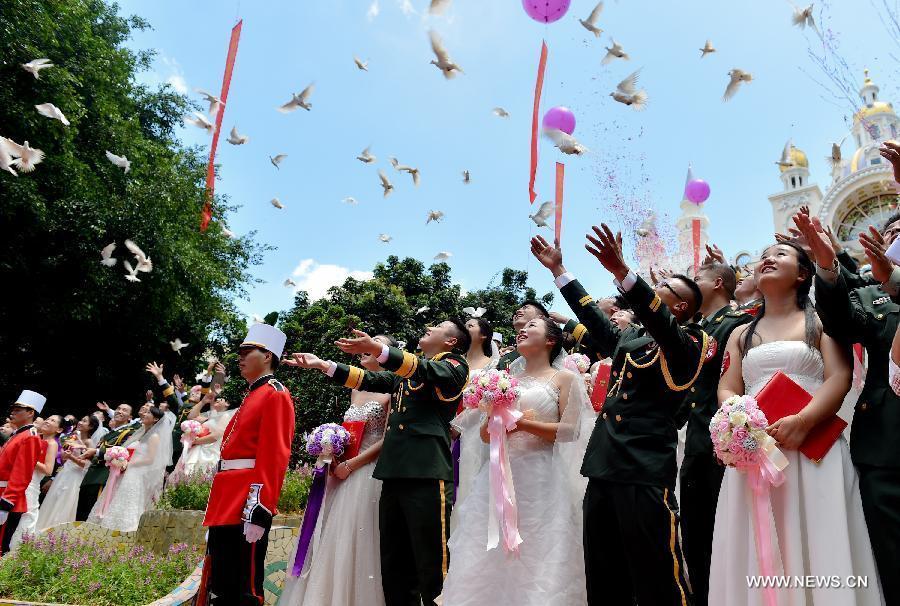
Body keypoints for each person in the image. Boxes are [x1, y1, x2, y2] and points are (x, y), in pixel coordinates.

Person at [531, 228, 707, 606]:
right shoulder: (632, 340)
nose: (654, 285)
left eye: (664, 287)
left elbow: (660, 324)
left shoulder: (689, 342)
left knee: (658, 573)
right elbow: (595, 320)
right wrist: (560, 271)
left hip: (642, 468)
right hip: (605, 464)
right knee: (604, 572)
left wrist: (623, 270)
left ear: (679, 307)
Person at [710, 240, 883, 604]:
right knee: (760, 541)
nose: (768, 258)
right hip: (759, 453)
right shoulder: (740, 334)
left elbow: (839, 377)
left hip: (813, 448)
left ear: (803, 273)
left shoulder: (819, 321)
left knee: (820, 535)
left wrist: (803, 421)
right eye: (764, 256)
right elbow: (727, 386)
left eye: (781, 254)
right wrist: (739, 420)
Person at [288, 320, 470, 606]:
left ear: (452, 342)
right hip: (393, 473)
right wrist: (323, 365)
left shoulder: (455, 366)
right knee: (394, 566)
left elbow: (423, 370)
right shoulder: (407, 371)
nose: (429, 327)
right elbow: (369, 379)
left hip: (425, 472)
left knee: (432, 563)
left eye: (438, 327)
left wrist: (377, 348)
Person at [440, 317, 594, 605]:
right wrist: (495, 421)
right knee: (489, 545)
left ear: (550, 340)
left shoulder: (564, 379)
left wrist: (521, 424)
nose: (522, 330)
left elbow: (570, 431)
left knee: (538, 545)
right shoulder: (505, 380)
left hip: (540, 476)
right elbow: (486, 436)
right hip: (497, 473)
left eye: (532, 326)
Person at [796, 196, 900, 604]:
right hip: (886, 448)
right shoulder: (873, 297)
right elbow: (840, 322)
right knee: (891, 559)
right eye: (891, 234)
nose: (894, 240)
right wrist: (827, 266)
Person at [278, 334, 395, 606]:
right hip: (339, 472)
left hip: (366, 473)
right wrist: (330, 452)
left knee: (358, 537)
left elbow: (387, 439)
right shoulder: (355, 389)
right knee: (328, 537)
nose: (364, 350)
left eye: (373, 343)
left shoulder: (392, 389)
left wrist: (352, 465)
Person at [200, 323, 295, 606]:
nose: (239, 357)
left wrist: (260, 509)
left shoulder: (275, 393)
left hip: (246, 502)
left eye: (246, 351)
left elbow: (274, 456)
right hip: (226, 498)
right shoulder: (253, 393)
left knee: (244, 588)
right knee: (221, 582)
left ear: (267, 356)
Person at [677, 262, 752, 606]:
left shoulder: (736, 324)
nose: (692, 285)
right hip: (693, 438)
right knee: (695, 533)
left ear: (718, 283)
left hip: (723, 440)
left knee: (725, 531)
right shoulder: (696, 326)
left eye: (697, 279)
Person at [86, 406, 174, 532]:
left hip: (135, 473)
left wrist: (128, 463)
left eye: (148, 413)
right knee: (113, 496)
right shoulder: (140, 432)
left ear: (155, 419)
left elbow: (150, 459)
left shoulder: (154, 436)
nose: (144, 414)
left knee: (126, 500)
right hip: (124, 471)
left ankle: (123, 529)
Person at [0, 390, 45, 555]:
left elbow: (22, 473)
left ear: (30, 413)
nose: (13, 412)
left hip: (7, 497)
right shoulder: (18, 434)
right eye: (13, 409)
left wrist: (6, 503)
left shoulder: (30, 437)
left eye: (18, 409)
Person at [75, 403, 136, 521]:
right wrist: (84, 452)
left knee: (93, 515)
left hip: (104, 476)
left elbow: (121, 452)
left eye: (124, 410)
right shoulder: (108, 434)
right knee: (81, 514)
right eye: (118, 408)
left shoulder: (129, 432)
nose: (119, 411)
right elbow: (95, 456)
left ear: (130, 417)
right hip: (90, 476)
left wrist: (96, 452)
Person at [37, 415, 97, 531]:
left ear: (90, 427)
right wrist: (65, 456)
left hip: (75, 476)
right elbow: (64, 460)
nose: (80, 422)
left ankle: (55, 531)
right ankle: (41, 528)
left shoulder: (89, 442)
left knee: (64, 502)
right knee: (53, 499)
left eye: (84, 421)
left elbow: (87, 465)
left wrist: (71, 458)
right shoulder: (72, 438)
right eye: (81, 419)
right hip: (64, 472)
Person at [10, 413, 60, 547]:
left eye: (53, 420)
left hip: (32, 481)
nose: (48, 421)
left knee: (28, 514)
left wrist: (28, 456)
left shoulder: (52, 444)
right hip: (19, 476)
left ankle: (19, 547)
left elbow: (48, 469)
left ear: (59, 429)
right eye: (48, 418)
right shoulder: (34, 437)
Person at [169, 384, 235, 482]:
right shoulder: (211, 417)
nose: (217, 399)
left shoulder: (225, 417)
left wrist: (194, 441)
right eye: (217, 398)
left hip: (208, 453)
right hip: (197, 449)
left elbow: (215, 436)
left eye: (221, 399)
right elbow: (191, 416)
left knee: (197, 477)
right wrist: (203, 401)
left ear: (227, 404)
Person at [497, 302, 550, 370]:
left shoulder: (552, 347)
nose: (518, 311)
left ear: (541, 317)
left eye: (525, 308)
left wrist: (566, 321)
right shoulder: (505, 359)